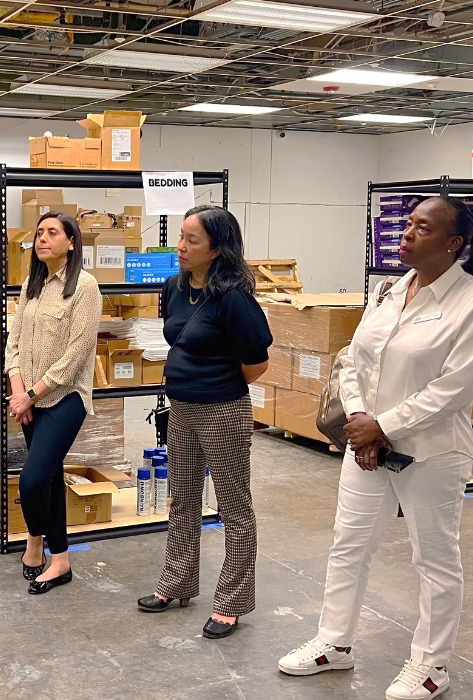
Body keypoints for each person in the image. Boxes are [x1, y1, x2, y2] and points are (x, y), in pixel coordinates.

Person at [278, 196, 473, 700]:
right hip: (367, 446)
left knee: (435, 558)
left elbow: (455, 387)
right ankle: (334, 643)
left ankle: (431, 666)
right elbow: (353, 359)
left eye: (423, 228)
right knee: (348, 545)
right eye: (408, 224)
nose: (407, 234)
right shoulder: (388, 291)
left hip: (433, 453)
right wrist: (358, 420)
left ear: (453, 244)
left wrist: (385, 426)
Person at [137, 205, 271, 640]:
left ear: (216, 248)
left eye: (192, 240)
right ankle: (176, 584)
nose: (181, 247)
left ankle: (231, 603)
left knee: (234, 507)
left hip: (223, 412)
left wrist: (215, 383)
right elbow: (175, 336)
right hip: (181, 408)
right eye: (181, 237)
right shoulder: (174, 286)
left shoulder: (233, 297)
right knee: (183, 499)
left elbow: (257, 363)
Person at [5, 211, 101, 595]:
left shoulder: (85, 287)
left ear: (71, 242)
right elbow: (13, 342)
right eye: (39, 233)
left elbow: (77, 354)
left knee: (31, 480)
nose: (43, 238)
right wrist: (18, 391)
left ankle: (34, 541)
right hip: (27, 397)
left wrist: (31, 394)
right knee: (49, 479)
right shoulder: (32, 282)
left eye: (52, 233)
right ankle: (58, 559)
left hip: (65, 398)